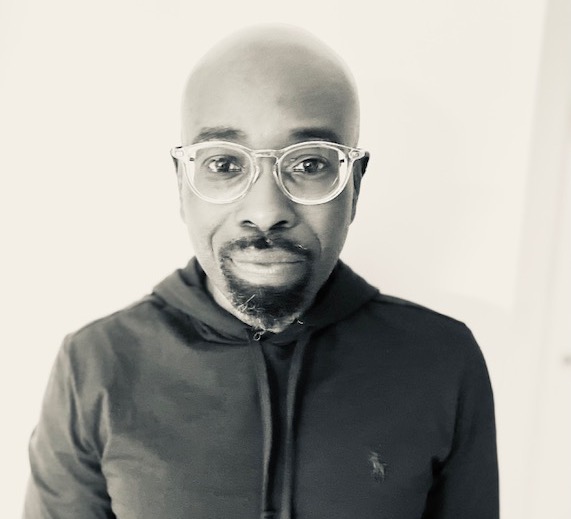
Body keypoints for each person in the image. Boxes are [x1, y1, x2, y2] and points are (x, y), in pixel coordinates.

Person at [23, 25, 499, 519]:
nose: (266, 209)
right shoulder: (95, 365)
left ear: (354, 186)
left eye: (310, 163)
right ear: (182, 186)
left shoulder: (442, 361)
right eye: (225, 164)